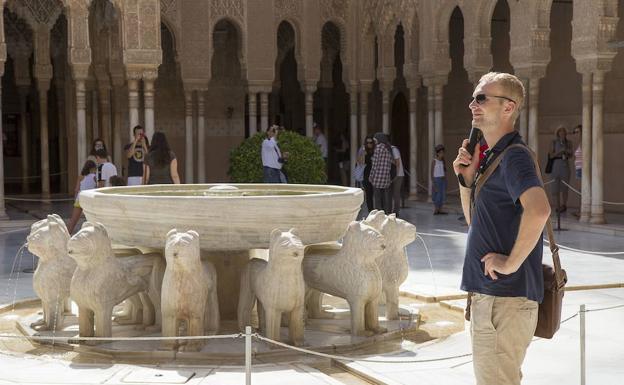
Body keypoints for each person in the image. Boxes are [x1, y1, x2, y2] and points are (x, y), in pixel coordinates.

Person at [454, 72, 551, 385]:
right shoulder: (493, 157)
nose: (472, 104)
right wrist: (465, 181)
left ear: (508, 108)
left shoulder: (514, 158)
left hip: (503, 302)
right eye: (473, 97)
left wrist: (509, 263)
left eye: (482, 98)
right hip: (494, 299)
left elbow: (539, 210)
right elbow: (475, 224)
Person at [67, 160, 97, 233]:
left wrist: (75, 199)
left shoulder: (80, 176)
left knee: (73, 220)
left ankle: (67, 234)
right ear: (92, 168)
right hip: (89, 199)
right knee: (91, 220)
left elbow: (76, 189)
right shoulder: (95, 177)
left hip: (80, 198)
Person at [549, 125, 573, 213]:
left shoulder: (569, 142)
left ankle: (564, 205)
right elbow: (551, 155)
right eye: (560, 131)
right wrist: (559, 151)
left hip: (565, 165)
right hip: (556, 165)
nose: (562, 133)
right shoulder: (554, 142)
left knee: (565, 187)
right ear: (558, 133)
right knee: (555, 187)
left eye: (564, 132)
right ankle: (557, 206)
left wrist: (566, 151)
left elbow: (571, 155)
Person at [368, 132, 393, 214]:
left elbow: (375, 164)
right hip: (386, 176)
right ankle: (387, 212)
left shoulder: (378, 148)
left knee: (377, 197)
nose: (374, 142)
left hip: (378, 176)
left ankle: (379, 214)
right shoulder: (388, 148)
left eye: (375, 140)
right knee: (385, 196)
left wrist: (371, 176)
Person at [431, 144, 448, 215]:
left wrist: (446, 179)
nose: (442, 154)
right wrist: (433, 181)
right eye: (440, 153)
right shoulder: (434, 161)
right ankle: (436, 209)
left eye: (443, 153)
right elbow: (431, 172)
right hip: (436, 179)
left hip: (442, 179)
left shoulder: (443, 161)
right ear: (437, 153)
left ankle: (440, 209)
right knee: (437, 194)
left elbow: (444, 171)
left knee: (442, 195)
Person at [360, 135, 376, 212]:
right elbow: (361, 162)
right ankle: (370, 210)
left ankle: (378, 209)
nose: (369, 144)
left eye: (371, 142)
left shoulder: (376, 151)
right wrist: (363, 152)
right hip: (366, 174)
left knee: (376, 193)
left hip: (375, 174)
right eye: (367, 142)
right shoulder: (363, 151)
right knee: (368, 193)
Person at [390, 141, 405, 217]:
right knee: (392, 193)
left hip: (398, 175)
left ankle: (396, 211)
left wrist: (396, 175)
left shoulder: (393, 149)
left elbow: (397, 163)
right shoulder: (389, 149)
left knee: (396, 193)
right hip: (393, 175)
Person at [572, 125, 582, 218]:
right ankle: (580, 210)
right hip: (579, 168)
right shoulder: (580, 143)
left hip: (582, 169)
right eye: (574, 132)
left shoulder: (583, 143)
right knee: (580, 191)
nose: (575, 134)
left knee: (581, 191)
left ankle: (581, 211)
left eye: (577, 132)